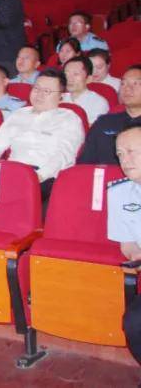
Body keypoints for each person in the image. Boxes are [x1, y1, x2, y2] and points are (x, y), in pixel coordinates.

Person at [0, 69, 85, 204]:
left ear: (61, 96)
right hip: (12, 171)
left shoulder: (69, 118)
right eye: (36, 88)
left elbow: (64, 155)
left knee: (8, 197)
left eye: (46, 91)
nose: (39, 94)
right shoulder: (18, 114)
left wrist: (38, 176)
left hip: (45, 177)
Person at [107, 125, 141, 365]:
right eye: (120, 154)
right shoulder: (119, 193)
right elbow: (127, 244)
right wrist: (136, 256)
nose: (125, 160)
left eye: (131, 151)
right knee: (134, 324)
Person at [79, 66, 141, 165]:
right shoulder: (103, 122)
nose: (127, 88)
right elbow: (85, 163)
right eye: (123, 83)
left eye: (136, 83)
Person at [61, 57, 110, 126]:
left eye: (76, 74)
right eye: (66, 74)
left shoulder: (98, 103)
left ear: (89, 79)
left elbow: (92, 130)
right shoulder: (59, 98)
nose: (69, 79)